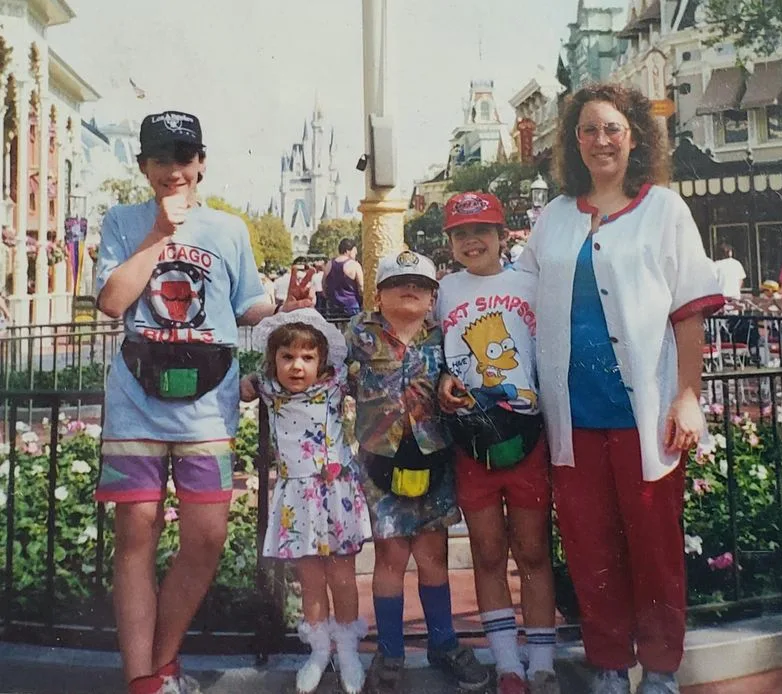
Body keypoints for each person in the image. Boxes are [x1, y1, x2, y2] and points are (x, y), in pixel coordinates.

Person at [93, 109, 312, 694]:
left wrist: (284, 304)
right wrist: (159, 234)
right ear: (143, 166)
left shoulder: (229, 229)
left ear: (202, 163)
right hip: (138, 400)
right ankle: (144, 680)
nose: (174, 170)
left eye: (184, 158)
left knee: (206, 537)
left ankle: (160, 662)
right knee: (135, 534)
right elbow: (113, 301)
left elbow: (246, 307)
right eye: (161, 158)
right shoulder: (121, 220)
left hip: (207, 406)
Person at [516, 84, 724, 694]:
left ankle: (659, 670)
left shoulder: (663, 209)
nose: (600, 140)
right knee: (589, 549)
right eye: (587, 130)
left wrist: (688, 395)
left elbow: (689, 310)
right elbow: (519, 300)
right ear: (572, 142)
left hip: (645, 413)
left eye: (612, 128)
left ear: (634, 136)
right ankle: (609, 664)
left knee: (654, 548)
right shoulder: (554, 217)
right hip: (573, 418)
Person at [345, 250, 489, 694]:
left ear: (432, 298)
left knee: (433, 556)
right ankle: (390, 650)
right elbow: (322, 369)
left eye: (422, 286)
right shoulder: (357, 335)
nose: (410, 290)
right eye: (398, 283)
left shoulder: (444, 337)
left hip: (432, 458)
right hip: (380, 461)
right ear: (379, 293)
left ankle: (443, 643)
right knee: (390, 558)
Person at [436, 192, 558, 694]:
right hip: (473, 440)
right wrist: (443, 378)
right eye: (461, 233)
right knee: (487, 552)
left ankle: (543, 659)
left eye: (482, 230)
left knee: (532, 550)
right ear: (450, 242)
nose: (472, 241)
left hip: (526, 436)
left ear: (503, 235)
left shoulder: (529, 285)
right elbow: (429, 352)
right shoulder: (443, 291)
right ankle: (507, 662)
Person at [240, 308, 372, 694]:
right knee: (310, 580)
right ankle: (317, 652)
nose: (297, 366)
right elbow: (243, 386)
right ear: (274, 360)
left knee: (343, 578)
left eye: (307, 357)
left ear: (321, 360)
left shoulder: (334, 386)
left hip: (335, 494)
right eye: (287, 357)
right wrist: (246, 383)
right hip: (297, 497)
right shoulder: (267, 388)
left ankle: (347, 652)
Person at [323, 239, 363, 317]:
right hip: (351, 306)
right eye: (354, 251)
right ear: (348, 251)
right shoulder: (354, 265)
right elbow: (361, 287)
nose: (356, 254)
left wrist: (328, 297)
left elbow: (324, 284)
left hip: (333, 307)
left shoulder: (329, 264)